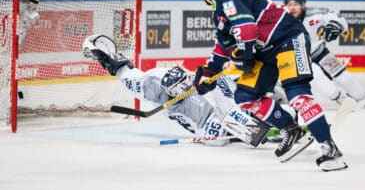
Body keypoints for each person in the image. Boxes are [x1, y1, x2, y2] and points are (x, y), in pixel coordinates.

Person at [189, 0, 347, 171]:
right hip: (266, 50)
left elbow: (246, 26)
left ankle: (329, 147)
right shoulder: (220, 11)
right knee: (245, 97)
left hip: (289, 39)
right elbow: (223, 46)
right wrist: (210, 72)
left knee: (297, 94)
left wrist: (244, 55)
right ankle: (290, 129)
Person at [82, 34, 287, 147]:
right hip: (207, 121)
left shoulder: (177, 79)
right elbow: (127, 76)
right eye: (183, 85)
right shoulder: (152, 88)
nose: (187, 83)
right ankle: (267, 123)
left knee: (239, 89)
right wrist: (105, 57)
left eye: (186, 81)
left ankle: (278, 112)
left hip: (220, 101)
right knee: (222, 134)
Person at [284, 0, 365, 110]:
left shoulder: (315, 13)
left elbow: (336, 17)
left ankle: (360, 98)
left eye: (296, 4)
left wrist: (334, 25)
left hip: (317, 51)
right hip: (297, 57)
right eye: (289, 4)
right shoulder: (280, 16)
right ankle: (341, 99)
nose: (292, 8)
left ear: (303, 4)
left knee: (344, 77)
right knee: (316, 76)